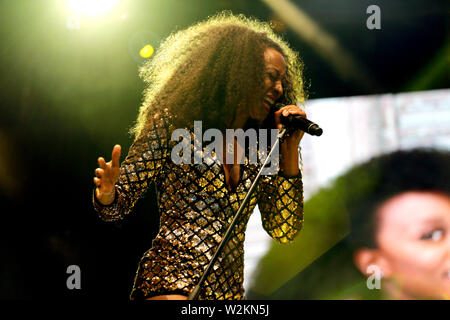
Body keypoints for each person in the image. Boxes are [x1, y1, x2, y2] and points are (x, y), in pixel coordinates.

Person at [92, 12, 307, 300]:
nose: (279, 89)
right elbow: (117, 205)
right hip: (171, 280)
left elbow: (284, 229)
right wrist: (107, 194)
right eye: (271, 77)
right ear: (240, 72)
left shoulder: (261, 147)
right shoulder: (176, 125)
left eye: (282, 81)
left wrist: (289, 148)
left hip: (227, 293)